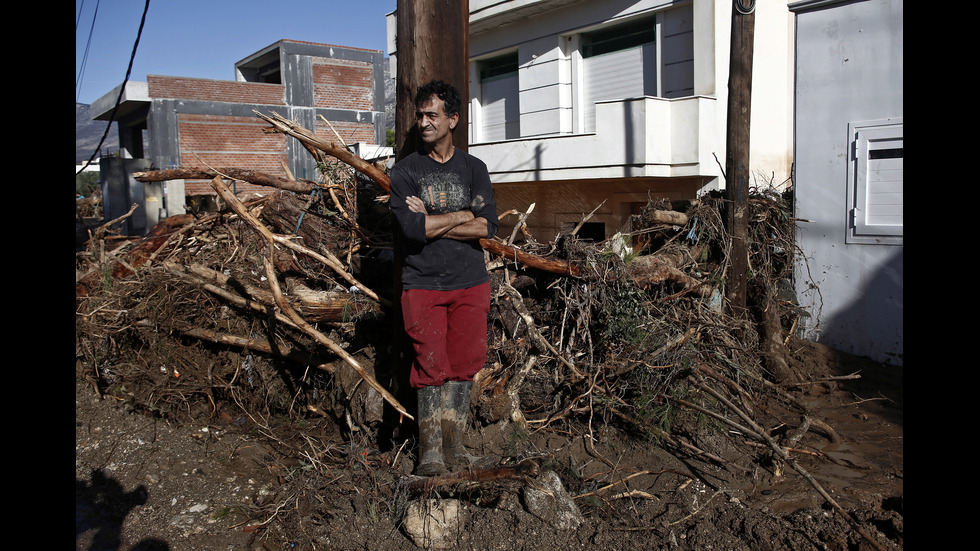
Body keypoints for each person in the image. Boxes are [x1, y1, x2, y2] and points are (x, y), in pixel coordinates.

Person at [389, 80, 499, 476]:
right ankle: (431, 454)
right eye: (420, 115)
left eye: (431, 115)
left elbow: (488, 227)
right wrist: (461, 215)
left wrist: (435, 221)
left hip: (470, 282)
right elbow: (411, 230)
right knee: (430, 365)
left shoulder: (474, 168)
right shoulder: (404, 173)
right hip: (422, 285)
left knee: (465, 364)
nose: (423, 122)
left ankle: (456, 449)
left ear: (453, 119)